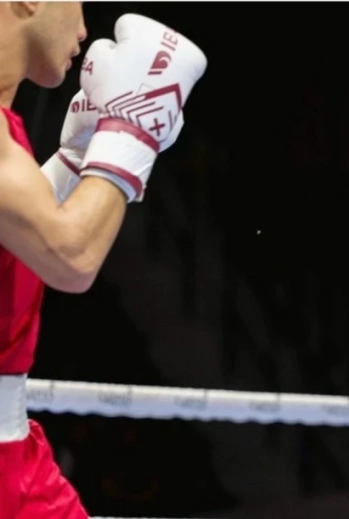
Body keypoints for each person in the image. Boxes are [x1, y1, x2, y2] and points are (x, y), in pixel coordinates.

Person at [0, 3, 206, 517]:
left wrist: (77, 159)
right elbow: (71, 258)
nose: (83, 28)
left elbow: (16, 241)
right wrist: (130, 134)